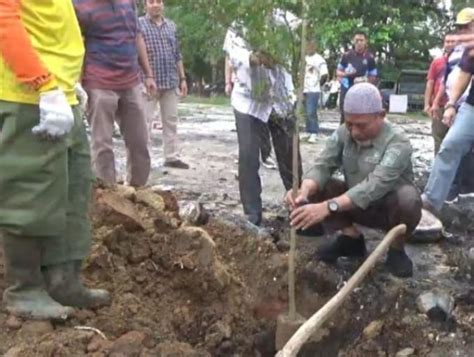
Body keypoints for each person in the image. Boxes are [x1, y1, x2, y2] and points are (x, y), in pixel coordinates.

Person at [0, 0, 110, 320]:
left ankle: (63, 280)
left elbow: (49, 25)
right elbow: (5, 20)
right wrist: (43, 83)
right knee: (31, 191)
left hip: (61, 94)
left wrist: (66, 81)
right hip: (29, 97)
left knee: (73, 188)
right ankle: (24, 290)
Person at [285, 83, 422, 278]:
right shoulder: (343, 133)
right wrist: (304, 190)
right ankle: (351, 239)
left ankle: (396, 249)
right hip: (353, 206)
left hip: (387, 210)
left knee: (409, 198)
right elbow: (323, 165)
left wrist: (328, 207)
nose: (355, 132)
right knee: (322, 185)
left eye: (362, 125)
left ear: (381, 115)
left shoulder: (397, 142)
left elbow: (375, 185)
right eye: (350, 124)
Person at [224, 25, 301, 226]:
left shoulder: (286, 19)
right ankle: (252, 215)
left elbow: (300, 43)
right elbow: (234, 54)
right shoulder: (238, 25)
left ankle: (300, 212)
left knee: (290, 157)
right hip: (248, 101)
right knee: (248, 157)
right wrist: (253, 57)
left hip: (280, 98)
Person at [74, 0, 156, 186]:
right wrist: (78, 83)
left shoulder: (129, 2)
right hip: (98, 83)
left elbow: (136, 37)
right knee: (102, 144)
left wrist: (149, 74)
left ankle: (138, 192)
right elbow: (78, 43)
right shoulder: (79, 5)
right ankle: (108, 195)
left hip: (131, 81)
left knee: (139, 141)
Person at [423, 8, 474, 209]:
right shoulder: (469, 50)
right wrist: (451, 104)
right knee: (450, 145)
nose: (464, 32)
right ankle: (430, 202)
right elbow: (465, 73)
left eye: (467, 27)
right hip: (471, 107)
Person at [140, 0, 190, 169]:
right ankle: (142, 160)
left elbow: (177, 54)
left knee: (171, 121)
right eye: (151, 2)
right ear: (145, 5)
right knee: (144, 123)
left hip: (170, 81)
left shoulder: (171, 26)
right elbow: (137, 54)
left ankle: (171, 156)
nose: (156, 5)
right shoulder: (139, 25)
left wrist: (183, 78)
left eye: (159, 1)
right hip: (148, 82)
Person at [424, 33, 456, 154]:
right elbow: (430, 83)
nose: (449, 44)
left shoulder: (463, 61)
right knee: (438, 138)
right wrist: (427, 104)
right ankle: (438, 166)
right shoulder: (437, 62)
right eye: (447, 41)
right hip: (439, 107)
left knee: (456, 139)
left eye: (452, 41)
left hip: (456, 106)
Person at [337, 31, 378, 123]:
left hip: (362, 89)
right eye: (357, 40)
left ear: (365, 42)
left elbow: (373, 75)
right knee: (345, 112)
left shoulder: (370, 57)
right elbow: (338, 72)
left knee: (360, 113)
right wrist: (346, 75)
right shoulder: (347, 55)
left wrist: (365, 80)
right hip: (347, 87)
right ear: (353, 41)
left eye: (361, 40)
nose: (359, 43)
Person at [303, 40, 328, 143]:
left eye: (311, 45)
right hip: (304, 88)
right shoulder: (304, 58)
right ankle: (308, 131)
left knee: (311, 111)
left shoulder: (319, 59)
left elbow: (324, 74)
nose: (309, 47)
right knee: (306, 112)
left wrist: (318, 85)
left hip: (314, 89)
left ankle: (314, 132)